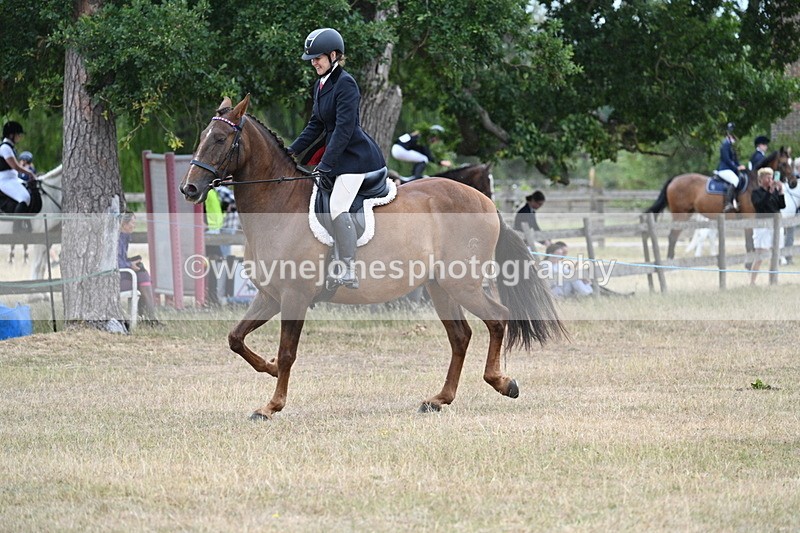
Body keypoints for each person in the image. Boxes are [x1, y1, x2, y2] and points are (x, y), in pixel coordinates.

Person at [286, 28, 386, 289]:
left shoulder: (345, 83)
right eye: (311, 59)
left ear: (333, 55)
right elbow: (315, 125)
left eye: (317, 58)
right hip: (336, 156)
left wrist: (325, 164)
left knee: (337, 206)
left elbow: (343, 129)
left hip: (355, 159)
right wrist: (289, 152)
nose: (313, 63)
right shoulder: (320, 85)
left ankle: (348, 268)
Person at [118, 211, 160, 325]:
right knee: (142, 278)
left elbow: (120, 259)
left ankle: (147, 318)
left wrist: (131, 262)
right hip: (116, 279)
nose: (134, 225)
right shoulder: (118, 239)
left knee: (142, 274)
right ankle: (150, 319)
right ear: (124, 224)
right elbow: (115, 262)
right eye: (133, 222)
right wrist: (129, 265)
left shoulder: (124, 237)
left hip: (121, 274)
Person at [750, 167, 785, 285]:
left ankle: (773, 280)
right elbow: (759, 206)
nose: (770, 180)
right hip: (762, 225)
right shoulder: (756, 193)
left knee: (776, 253)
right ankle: (752, 281)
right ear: (761, 180)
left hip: (775, 224)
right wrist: (769, 193)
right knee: (760, 254)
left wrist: (780, 191)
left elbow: (781, 206)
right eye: (767, 178)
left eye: (771, 177)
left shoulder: (774, 191)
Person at [0, 122, 35, 219]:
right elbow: (16, 166)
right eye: (18, 134)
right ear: (11, 135)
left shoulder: (9, 147)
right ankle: (17, 226)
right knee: (25, 198)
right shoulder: (5, 148)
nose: (20, 137)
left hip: (12, 178)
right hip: (5, 180)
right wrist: (30, 173)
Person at [715, 122, 747, 213]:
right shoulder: (725, 144)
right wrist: (736, 168)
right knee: (735, 180)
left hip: (730, 169)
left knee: (741, 178)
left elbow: (735, 159)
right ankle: (728, 203)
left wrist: (740, 165)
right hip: (724, 169)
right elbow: (727, 159)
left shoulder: (731, 145)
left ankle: (736, 200)